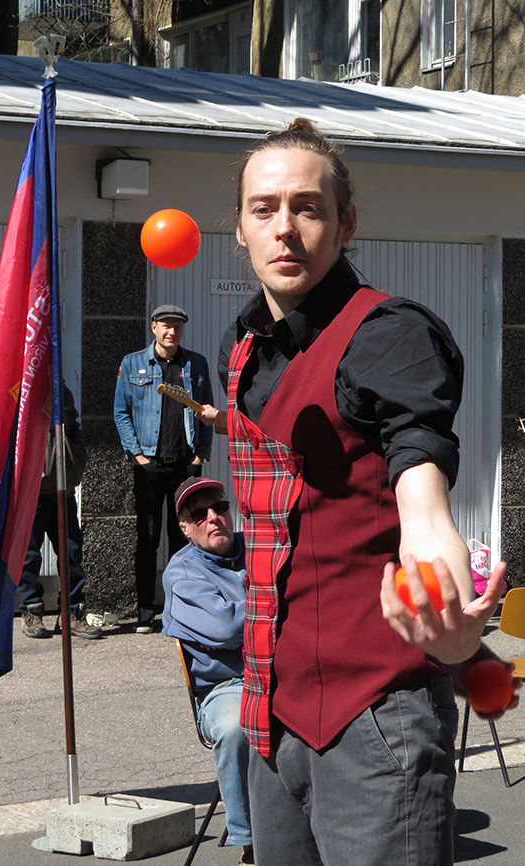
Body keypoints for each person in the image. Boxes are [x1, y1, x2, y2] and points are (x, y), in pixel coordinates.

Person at [209, 118, 518, 866]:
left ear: (346, 224)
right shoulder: (241, 349)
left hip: (375, 715)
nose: (285, 227)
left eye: (308, 208)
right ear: (240, 229)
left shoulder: (389, 334)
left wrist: (441, 586)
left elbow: (420, 476)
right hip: (272, 714)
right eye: (264, 209)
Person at [162, 476, 253, 866]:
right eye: (199, 514)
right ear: (185, 528)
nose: (213, 517)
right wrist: (273, 600)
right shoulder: (182, 573)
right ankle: (252, 846)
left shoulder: (259, 546)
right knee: (234, 728)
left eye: (220, 507)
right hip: (226, 684)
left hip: (284, 671)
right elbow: (227, 630)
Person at [114, 305, 214, 634]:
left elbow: (206, 411)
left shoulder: (196, 364)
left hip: (185, 467)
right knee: (148, 539)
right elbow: (121, 412)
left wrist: (200, 455)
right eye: (167, 326)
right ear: (154, 327)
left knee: (184, 539)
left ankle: (178, 608)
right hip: (150, 467)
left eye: (178, 327)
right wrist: (137, 456)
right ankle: (145, 610)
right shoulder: (132, 363)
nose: (172, 332)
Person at [18, 384, 101, 640]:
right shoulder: (20, 385)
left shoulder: (60, 388)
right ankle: (31, 611)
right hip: (31, 491)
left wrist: (77, 459)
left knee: (71, 553)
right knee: (29, 556)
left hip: (62, 490)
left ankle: (71, 613)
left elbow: (73, 426)